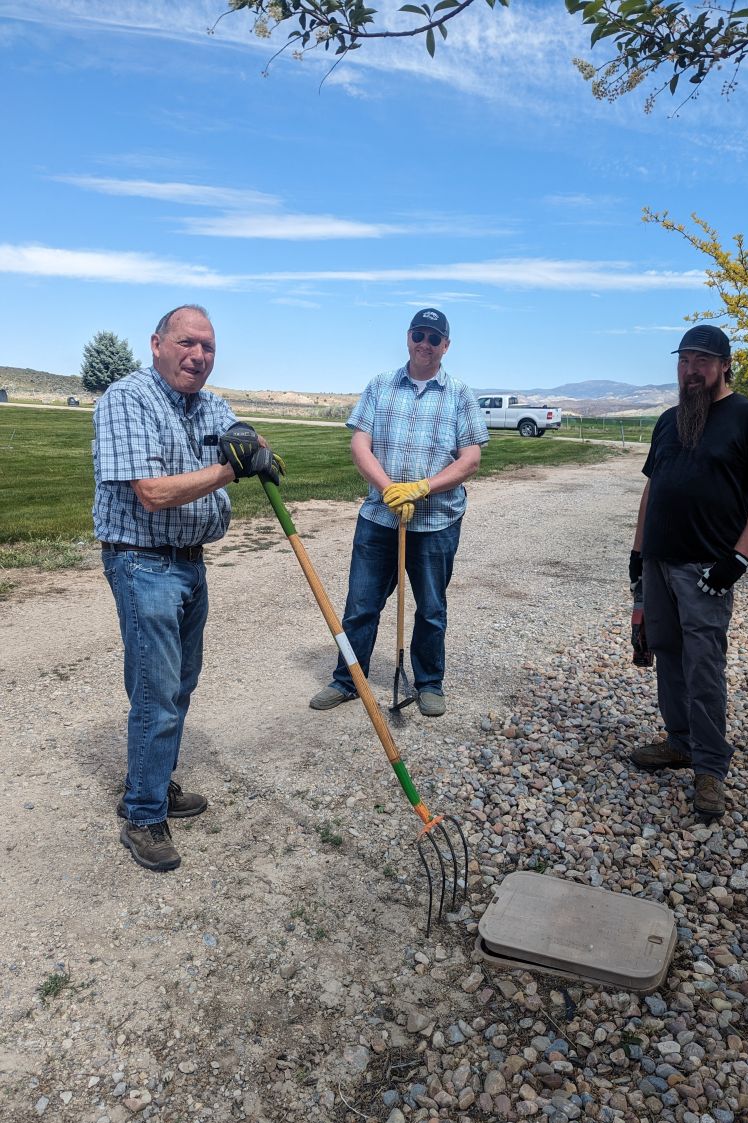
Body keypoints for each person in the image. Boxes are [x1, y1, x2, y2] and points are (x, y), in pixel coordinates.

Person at [93, 304, 282, 872]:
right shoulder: (127, 399)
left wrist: (258, 450)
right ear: (157, 343)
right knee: (156, 694)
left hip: (190, 563)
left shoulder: (209, 403)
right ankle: (144, 816)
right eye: (187, 343)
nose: (198, 356)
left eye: (208, 348)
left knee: (179, 686)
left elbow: (242, 437)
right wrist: (233, 469)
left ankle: (157, 782)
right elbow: (150, 492)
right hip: (143, 564)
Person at [629, 324, 748, 817]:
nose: (691, 369)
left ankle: (711, 768)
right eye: (684, 360)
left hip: (706, 568)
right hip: (658, 561)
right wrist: (637, 556)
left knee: (703, 666)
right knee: (667, 653)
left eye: (702, 360)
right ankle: (679, 741)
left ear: (724, 365)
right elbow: (652, 491)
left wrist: (736, 561)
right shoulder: (669, 420)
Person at [309, 308, 488, 717]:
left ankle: (429, 683)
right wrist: (389, 489)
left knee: (431, 608)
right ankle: (348, 680)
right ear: (408, 337)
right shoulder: (380, 386)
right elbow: (360, 445)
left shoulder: (459, 394)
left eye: (434, 337)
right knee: (361, 604)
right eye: (419, 335)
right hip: (380, 518)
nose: (425, 343)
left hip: (436, 521)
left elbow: (471, 460)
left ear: (446, 345)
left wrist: (423, 487)